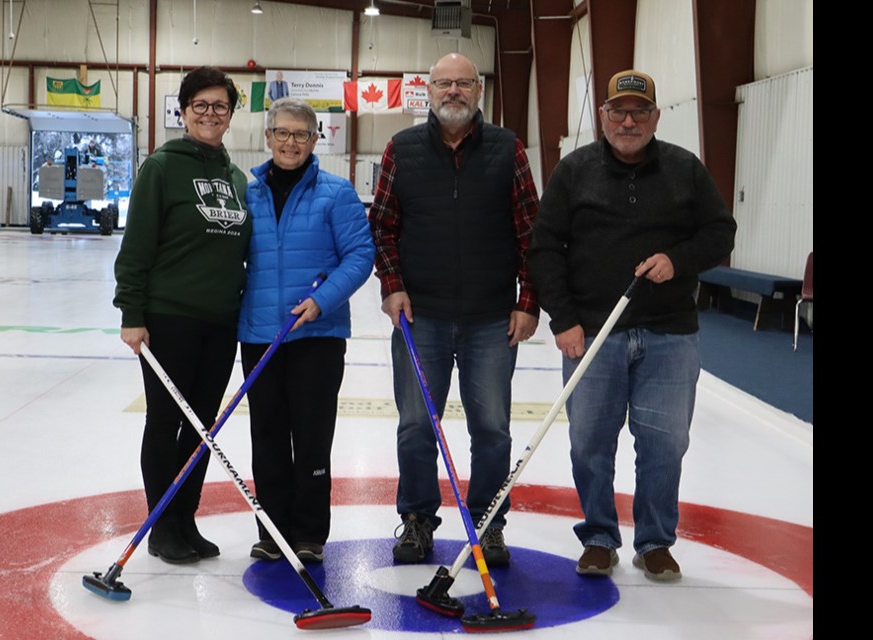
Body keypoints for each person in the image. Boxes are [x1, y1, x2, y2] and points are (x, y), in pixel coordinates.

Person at [528, 69, 737, 581]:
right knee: (589, 442)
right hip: (593, 335)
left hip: (670, 334)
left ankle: (655, 542)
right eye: (618, 112)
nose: (628, 121)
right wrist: (565, 320)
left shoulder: (685, 169)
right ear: (602, 117)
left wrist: (678, 259)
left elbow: (720, 234)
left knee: (665, 442)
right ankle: (599, 536)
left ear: (655, 118)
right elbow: (544, 247)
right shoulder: (574, 171)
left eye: (639, 112)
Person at [369, 52, 540, 566]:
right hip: (422, 317)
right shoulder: (402, 149)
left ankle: (487, 524)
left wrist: (528, 301)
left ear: (479, 89)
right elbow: (382, 225)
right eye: (443, 83)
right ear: (429, 89)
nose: (453, 92)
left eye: (463, 83)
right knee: (417, 425)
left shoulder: (509, 149)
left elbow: (532, 233)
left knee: (492, 429)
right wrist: (392, 288)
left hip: (492, 319)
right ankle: (418, 519)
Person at [113, 66, 251, 564]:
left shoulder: (237, 178)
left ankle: (186, 518)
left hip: (220, 323)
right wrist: (132, 312)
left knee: (202, 427)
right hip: (169, 317)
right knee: (166, 420)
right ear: (184, 111)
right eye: (201, 105)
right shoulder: (162, 167)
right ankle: (161, 525)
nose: (210, 114)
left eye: (220, 106)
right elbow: (135, 249)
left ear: (231, 115)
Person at [240, 97, 374, 563]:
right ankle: (272, 530)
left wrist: (322, 300)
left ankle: (309, 534)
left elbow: (360, 256)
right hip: (260, 335)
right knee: (268, 435)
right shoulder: (248, 193)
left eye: (301, 134)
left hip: (317, 336)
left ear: (316, 140)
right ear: (268, 137)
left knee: (313, 435)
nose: (291, 143)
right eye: (282, 133)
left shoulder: (336, 194)